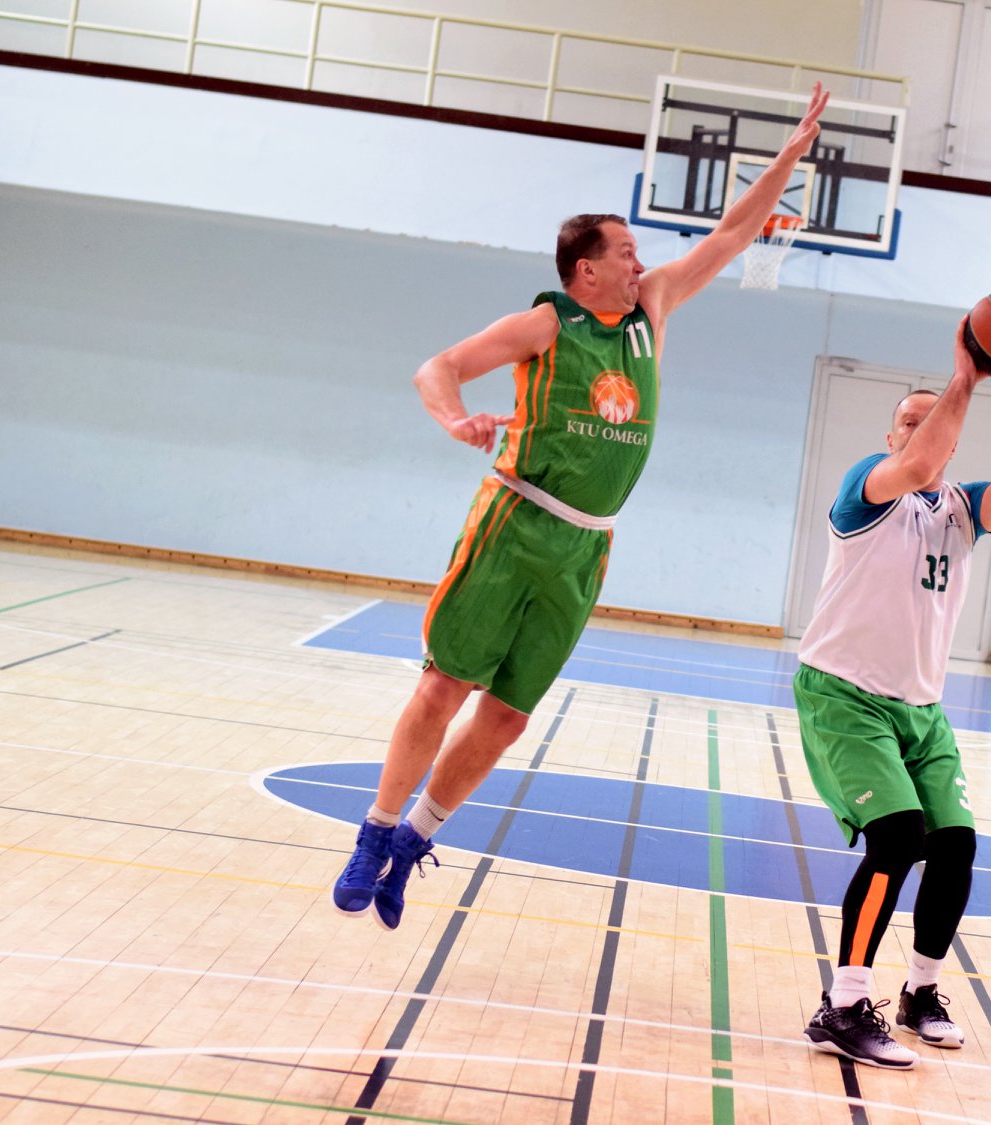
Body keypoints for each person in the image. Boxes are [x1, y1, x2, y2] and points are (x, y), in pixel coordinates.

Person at [330, 85, 832, 931]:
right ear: (584, 268)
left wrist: (789, 157)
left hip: (585, 547)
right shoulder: (546, 323)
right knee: (443, 687)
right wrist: (455, 419)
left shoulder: (651, 310)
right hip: (513, 523)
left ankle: (415, 840)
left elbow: (732, 235)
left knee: (506, 717)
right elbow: (436, 367)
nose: (640, 264)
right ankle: (374, 832)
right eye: (626, 253)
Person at [797, 317, 991, 1068]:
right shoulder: (868, 487)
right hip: (844, 695)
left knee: (954, 845)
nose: (919, 432)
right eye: (907, 423)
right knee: (896, 839)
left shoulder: (964, 508)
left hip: (920, 708)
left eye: (932, 424)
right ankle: (843, 1005)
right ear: (891, 439)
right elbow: (916, 465)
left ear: (954, 442)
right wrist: (967, 376)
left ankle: (920, 992)